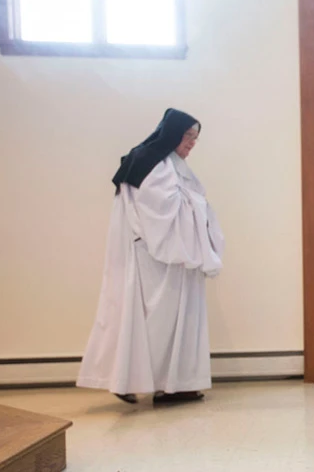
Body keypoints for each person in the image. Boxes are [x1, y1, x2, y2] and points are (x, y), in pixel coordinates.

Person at [77, 108, 224, 405]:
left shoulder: (168, 163)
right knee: (154, 322)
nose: (192, 143)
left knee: (173, 321)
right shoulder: (150, 162)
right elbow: (160, 210)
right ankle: (138, 380)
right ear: (172, 133)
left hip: (172, 257)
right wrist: (198, 206)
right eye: (188, 135)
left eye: (196, 138)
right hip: (156, 259)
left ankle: (174, 385)